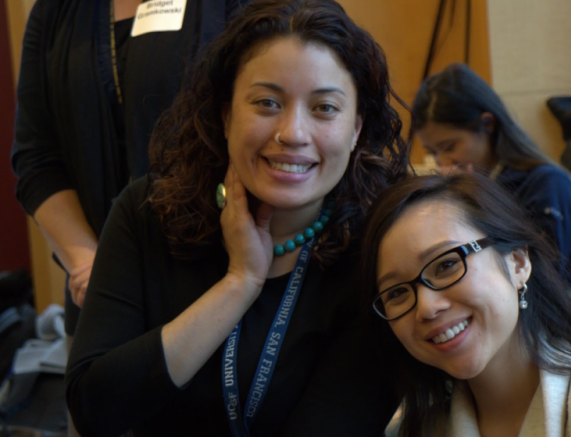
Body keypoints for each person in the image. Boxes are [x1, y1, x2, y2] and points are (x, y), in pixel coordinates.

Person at [65, 0, 409, 435]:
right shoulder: (147, 214)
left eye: (324, 108)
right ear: (226, 114)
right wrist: (239, 283)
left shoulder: (378, 250)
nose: (293, 134)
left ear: (356, 128)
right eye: (267, 102)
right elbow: (95, 408)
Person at [11, 1, 248, 435]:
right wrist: (93, 269)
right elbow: (36, 159)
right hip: (96, 304)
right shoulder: (56, 11)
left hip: (218, 296)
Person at [360, 173, 571, 437]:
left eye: (446, 265)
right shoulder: (413, 429)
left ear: (517, 263)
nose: (426, 307)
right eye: (396, 293)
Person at [411, 64, 571, 287]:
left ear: (487, 124)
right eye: (433, 152)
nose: (443, 162)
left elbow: (544, 279)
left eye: (450, 147)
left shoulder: (547, 184)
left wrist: (474, 198)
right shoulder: (474, 185)